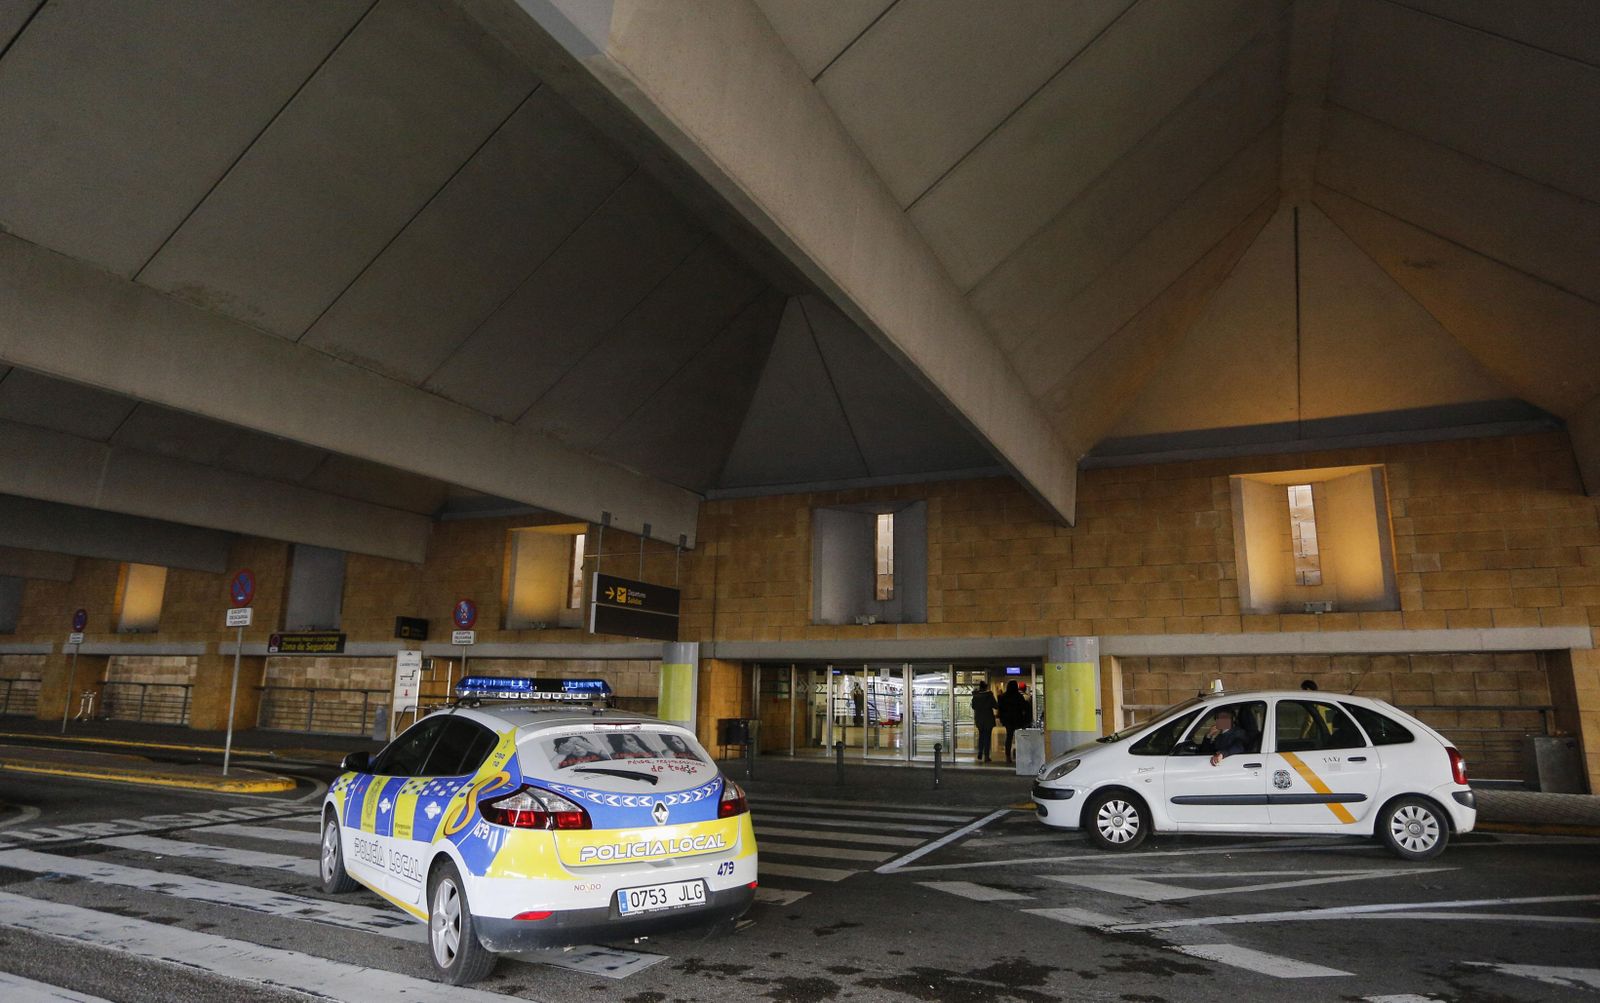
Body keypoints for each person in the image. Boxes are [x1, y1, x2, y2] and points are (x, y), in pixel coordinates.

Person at [997, 679, 1030, 763]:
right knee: (1019, 737)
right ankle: (1019, 754)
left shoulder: (1003, 696)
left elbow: (1000, 709)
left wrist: (1002, 718)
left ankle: (1008, 756)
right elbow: (1024, 707)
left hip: (1007, 720)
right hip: (1017, 719)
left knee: (1009, 737)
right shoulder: (1019, 696)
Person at [969, 681, 998, 763]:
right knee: (987, 737)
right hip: (988, 719)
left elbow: (973, 706)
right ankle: (986, 756)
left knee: (981, 736)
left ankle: (980, 753)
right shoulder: (989, 695)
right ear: (986, 687)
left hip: (979, 719)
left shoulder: (975, 696)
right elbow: (995, 706)